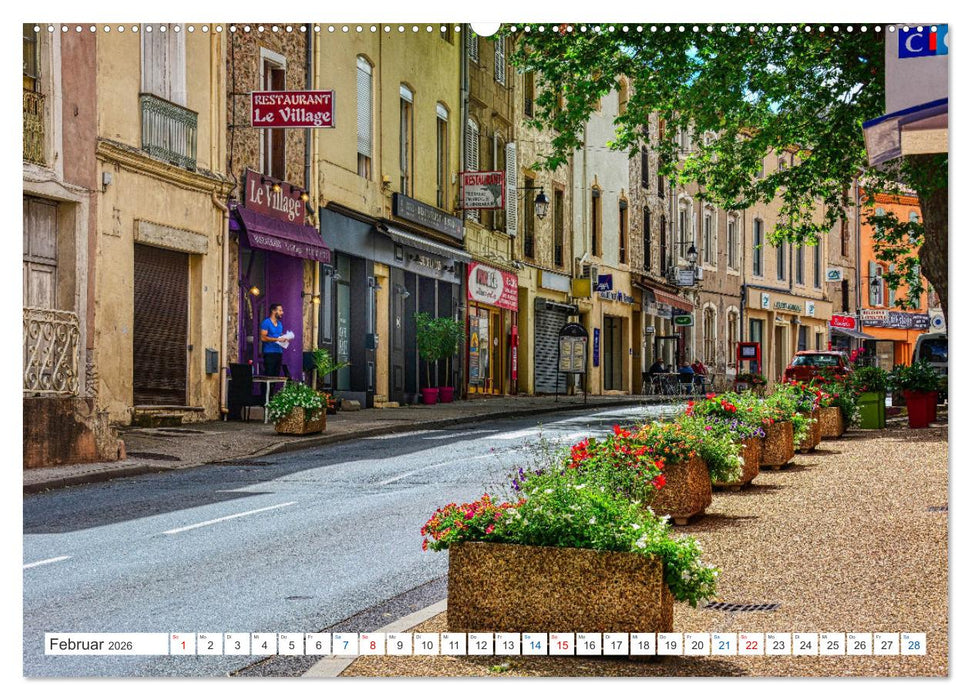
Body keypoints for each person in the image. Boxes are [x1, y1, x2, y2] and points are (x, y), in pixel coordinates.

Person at [260, 303, 287, 377]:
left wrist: (285, 338)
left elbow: (278, 335)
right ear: (273, 311)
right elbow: (263, 337)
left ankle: (272, 389)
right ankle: (265, 389)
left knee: (276, 376)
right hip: (269, 353)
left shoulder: (280, 324)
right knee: (269, 375)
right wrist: (277, 339)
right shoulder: (266, 322)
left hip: (278, 352)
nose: (282, 312)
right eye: (280, 310)